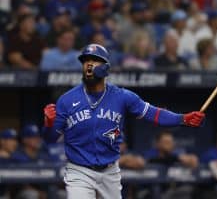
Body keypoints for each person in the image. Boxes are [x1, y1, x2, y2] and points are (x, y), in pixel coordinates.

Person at [42, 43, 205, 199]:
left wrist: (182, 119)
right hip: (79, 170)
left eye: (94, 60)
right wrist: (49, 124)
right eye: (85, 61)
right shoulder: (66, 100)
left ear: (106, 67)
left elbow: (154, 114)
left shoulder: (122, 96)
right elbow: (50, 138)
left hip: (109, 170)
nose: (89, 65)